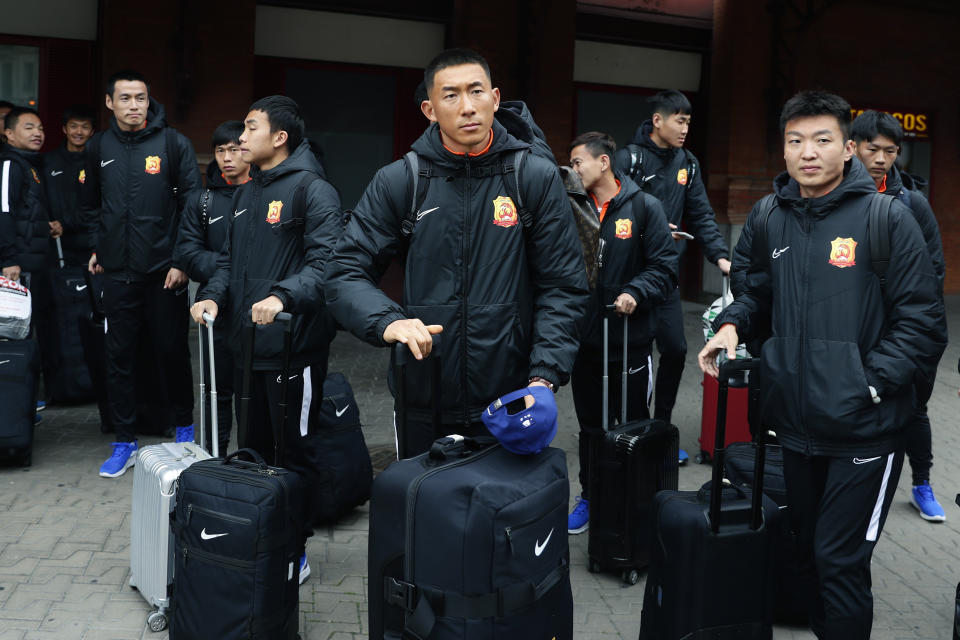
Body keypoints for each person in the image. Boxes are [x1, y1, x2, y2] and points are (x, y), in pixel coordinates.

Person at [699, 91, 947, 640]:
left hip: (867, 427)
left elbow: (923, 321)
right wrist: (733, 323)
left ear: (849, 149)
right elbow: (754, 290)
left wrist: (872, 386)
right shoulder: (769, 215)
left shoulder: (889, 218)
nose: (807, 152)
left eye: (822, 140)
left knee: (840, 562)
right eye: (795, 140)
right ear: (783, 149)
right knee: (808, 554)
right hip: (794, 426)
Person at [325, 48, 589, 457]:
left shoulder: (532, 177)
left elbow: (564, 286)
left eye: (476, 92)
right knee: (424, 512)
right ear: (430, 109)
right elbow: (345, 272)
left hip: (513, 397)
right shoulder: (401, 180)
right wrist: (389, 322)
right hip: (423, 391)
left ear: (496, 99)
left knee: (505, 517)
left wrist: (543, 376)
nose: (467, 107)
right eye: (451, 96)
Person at [190, 96, 342, 584]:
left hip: (293, 350)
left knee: (291, 452)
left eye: (250, 128)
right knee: (252, 448)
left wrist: (281, 297)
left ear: (279, 138)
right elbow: (228, 264)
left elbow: (327, 267)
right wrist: (212, 296)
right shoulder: (247, 192)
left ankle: (295, 549)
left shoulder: (313, 190)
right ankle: (262, 539)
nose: (240, 140)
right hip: (246, 348)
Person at [81, 70, 201, 478]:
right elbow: (90, 203)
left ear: (150, 102)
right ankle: (124, 441)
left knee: (171, 350)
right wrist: (100, 245)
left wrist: (182, 261)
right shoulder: (99, 146)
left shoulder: (172, 143)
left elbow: (192, 208)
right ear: (110, 103)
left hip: (163, 272)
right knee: (119, 358)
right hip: (117, 273)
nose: (135, 106)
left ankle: (185, 430)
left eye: (141, 98)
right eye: (126, 98)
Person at [565, 131, 677, 534]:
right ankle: (591, 497)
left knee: (632, 425)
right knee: (591, 429)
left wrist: (635, 290)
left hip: (630, 342)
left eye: (578, 162)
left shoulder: (644, 207)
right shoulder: (571, 209)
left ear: (603, 163)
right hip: (585, 342)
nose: (573, 170)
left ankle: (635, 503)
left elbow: (665, 268)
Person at [614, 90, 730, 462]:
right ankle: (634, 433)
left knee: (677, 349)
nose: (684, 129)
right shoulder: (628, 158)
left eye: (688, 122)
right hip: (629, 279)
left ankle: (659, 432)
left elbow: (701, 213)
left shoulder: (688, 162)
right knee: (634, 358)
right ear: (658, 121)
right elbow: (609, 209)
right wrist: (649, 225)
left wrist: (721, 256)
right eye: (679, 121)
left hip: (664, 277)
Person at [851, 109, 947, 522]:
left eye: (890, 151)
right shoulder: (834, 197)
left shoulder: (912, 203)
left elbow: (934, 271)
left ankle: (922, 483)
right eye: (873, 149)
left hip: (900, 331)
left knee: (913, 410)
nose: (881, 159)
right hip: (854, 328)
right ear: (852, 147)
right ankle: (863, 482)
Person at [175, 120, 251, 455]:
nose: (227, 157)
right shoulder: (201, 201)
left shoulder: (264, 195)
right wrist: (231, 267)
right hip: (212, 311)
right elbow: (188, 255)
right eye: (220, 150)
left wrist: (225, 266)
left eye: (234, 149)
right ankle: (212, 461)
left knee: (251, 393)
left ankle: (251, 462)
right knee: (215, 393)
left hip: (253, 308)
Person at [1, 107, 60, 403]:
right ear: (9, 134)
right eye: (28, 127)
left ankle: (31, 396)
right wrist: (9, 259)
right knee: (18, 333)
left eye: (40, 127)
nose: (37, 132)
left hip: (37, 262)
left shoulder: (32, 166)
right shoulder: (10, 164)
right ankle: (16, 398)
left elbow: (27, 212)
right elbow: (4, 212)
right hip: (18, 265)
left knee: (37, 328)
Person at [44, 104, 96, 268]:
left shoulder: (97, 163)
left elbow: (98, 204)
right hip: (53, 242)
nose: (79, 132)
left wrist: (65, 224)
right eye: (73, 126)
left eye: (85, 127)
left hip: (87, 243)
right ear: (64, 129)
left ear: (92, 132)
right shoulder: (47, 161)